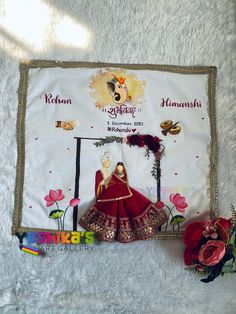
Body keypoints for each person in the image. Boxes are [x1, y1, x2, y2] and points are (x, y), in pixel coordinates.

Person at [79, 162, 167, 243]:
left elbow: (124, 182)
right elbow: (109, 182)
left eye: (121, 167)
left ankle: (133, 231)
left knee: (132, 208)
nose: (120, 169)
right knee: (112, 209)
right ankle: (110, 232)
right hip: (114, 193)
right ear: (116, 168)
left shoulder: (123, 176)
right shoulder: (113, 176)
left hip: (126, 192)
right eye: (118, 167)